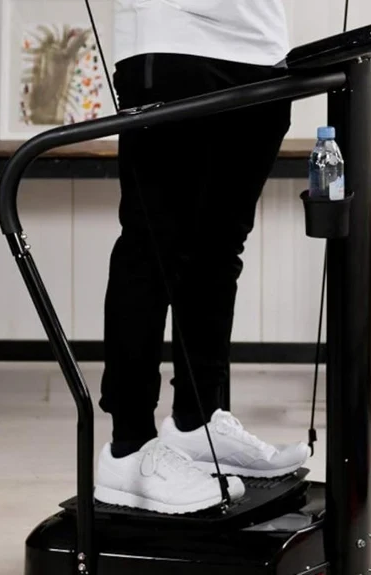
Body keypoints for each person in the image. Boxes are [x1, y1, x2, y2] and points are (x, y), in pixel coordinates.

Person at [94, 0, 310, 514]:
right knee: (154, 247)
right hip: (172, 38)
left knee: (219, 250)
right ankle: (128, 447)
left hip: (261, 47)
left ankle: (198, 419)